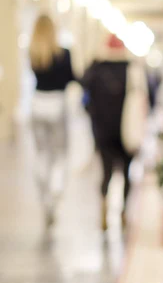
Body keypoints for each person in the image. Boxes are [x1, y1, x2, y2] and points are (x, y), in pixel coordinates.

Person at [81, 34, 148, 230]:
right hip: (127, 130)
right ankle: (123, 212)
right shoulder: (133, 68)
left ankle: (104, 206)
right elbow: (147, 98)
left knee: (106, 171)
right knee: (127, 172)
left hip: (103, 130)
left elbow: (84, 93)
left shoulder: (96, 68)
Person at [29, 14, 75, 227]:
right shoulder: (63, 53)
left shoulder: (33, 53)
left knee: (42, 153)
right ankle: (55, 190)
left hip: (37, 103)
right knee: (59, 153)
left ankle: (45, 197)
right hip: (57, 104)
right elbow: (71, 77)